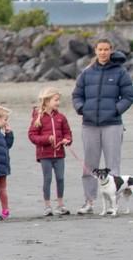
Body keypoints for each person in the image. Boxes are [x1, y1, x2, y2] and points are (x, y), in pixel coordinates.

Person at [71, 38, 133, 214]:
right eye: (100, 49)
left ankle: (114, 204)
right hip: (89, 124)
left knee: (113, 165)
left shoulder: (120, 72)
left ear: (111, 50)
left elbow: (129, 96)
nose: (103, 52)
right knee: (89, 166)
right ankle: (89, 202)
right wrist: (81, 108)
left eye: (106, 49)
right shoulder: (87, 72)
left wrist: (115, 110)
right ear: (95, 51)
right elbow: (77, 95)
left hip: (112, 124)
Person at [27, 86, 73, 217]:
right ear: (47, 101)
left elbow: (68, 133)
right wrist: (47, 139)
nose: (58, 103)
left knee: (60, 178)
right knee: (47, 179)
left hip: (59, 154)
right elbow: (32, 135)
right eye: (56, 100)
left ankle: (60, 204)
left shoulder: (61, 117)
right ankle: (47, 206)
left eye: (58, 100)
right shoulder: (38, 118)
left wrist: (67, 140)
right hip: (45, 155)